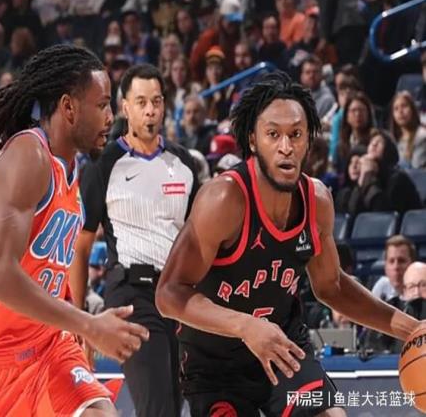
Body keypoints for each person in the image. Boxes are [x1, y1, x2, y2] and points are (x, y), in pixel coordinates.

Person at [155, 71, 423, 417]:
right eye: (273, 134)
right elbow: (169, 294)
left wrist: (412, 329)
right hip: (214, 364)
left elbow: (332, 286)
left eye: (296, 134)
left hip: (285, 352)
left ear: (309, 140)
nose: (286, 147)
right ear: (252, 140)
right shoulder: (223, 199)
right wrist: (244, 326)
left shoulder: (317, 201)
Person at [0, 45, 149, 417]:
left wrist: (78, 324)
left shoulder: (73, 170)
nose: (111, 117)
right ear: (69, 107)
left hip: (48, 346)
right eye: (102, 105)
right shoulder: (28, 155)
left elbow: (48, 268)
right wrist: (89, 324)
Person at [70, 63, 199, 417]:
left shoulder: (184, 163)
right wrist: (81, 321)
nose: (150, 110)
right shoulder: (103, 164)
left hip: (180, 294)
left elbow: (198, 238)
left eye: (156, 101)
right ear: (125, 107)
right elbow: (80, 248)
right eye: (141, 102)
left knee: (175, 403)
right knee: (157, 407)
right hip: (132, 294)